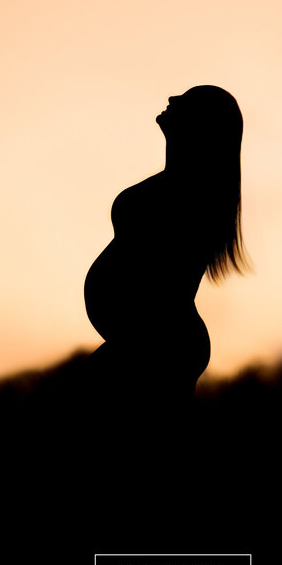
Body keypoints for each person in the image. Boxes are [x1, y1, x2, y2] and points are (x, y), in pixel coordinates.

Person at [79, 85, 249, 416]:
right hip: (145, 342)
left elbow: (160, 278)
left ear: (203, 127)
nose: (172, 99)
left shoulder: (194, 198)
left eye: (188, 101)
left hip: (159, 345)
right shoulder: (180, 186)